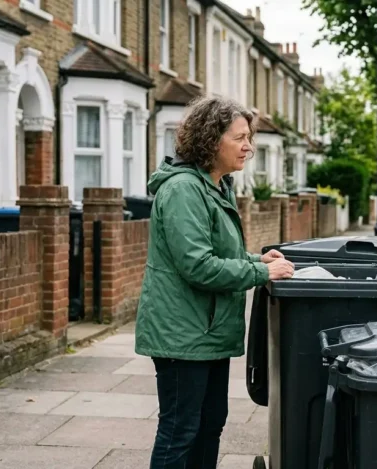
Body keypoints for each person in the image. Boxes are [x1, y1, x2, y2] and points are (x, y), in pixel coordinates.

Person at [134, 96, 295, 468]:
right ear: (211, 140)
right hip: (182, 334)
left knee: (209, 424)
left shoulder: (216, 186)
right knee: (180, 430)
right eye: (239, 138)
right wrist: (260, 273)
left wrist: (257, 259)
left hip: (207, 332)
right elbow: (198, 266)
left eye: (249, 138)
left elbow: (217, 252)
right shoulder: (183, 191)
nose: (248, 146)